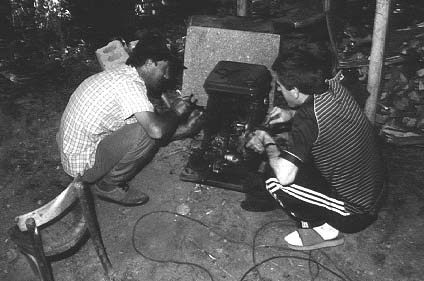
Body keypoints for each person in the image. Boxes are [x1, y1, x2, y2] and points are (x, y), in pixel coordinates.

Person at [246, 49, 385, 251]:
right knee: (300, 155)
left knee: (274, 179)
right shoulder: (334, 86)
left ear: (294, 92)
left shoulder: (308, 119)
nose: (279, 91)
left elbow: (285, 176)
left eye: (280, 87)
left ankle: (319, 231)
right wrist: (290, 114)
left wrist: (268, 141)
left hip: (356, 212)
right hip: (375, 189)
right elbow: (319, 120)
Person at [57, 30, 203, 207]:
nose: (167, 77)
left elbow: (141, 129)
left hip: (72, 152)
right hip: (82, 166)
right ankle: (107, 187)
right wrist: (176, 113)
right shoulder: (130, 86)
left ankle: (104, 174)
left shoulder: (121, 74)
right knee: (148, 129)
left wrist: (182, 130)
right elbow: (154, 132)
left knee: (147, 123)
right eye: (165, 70)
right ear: (150, 63)